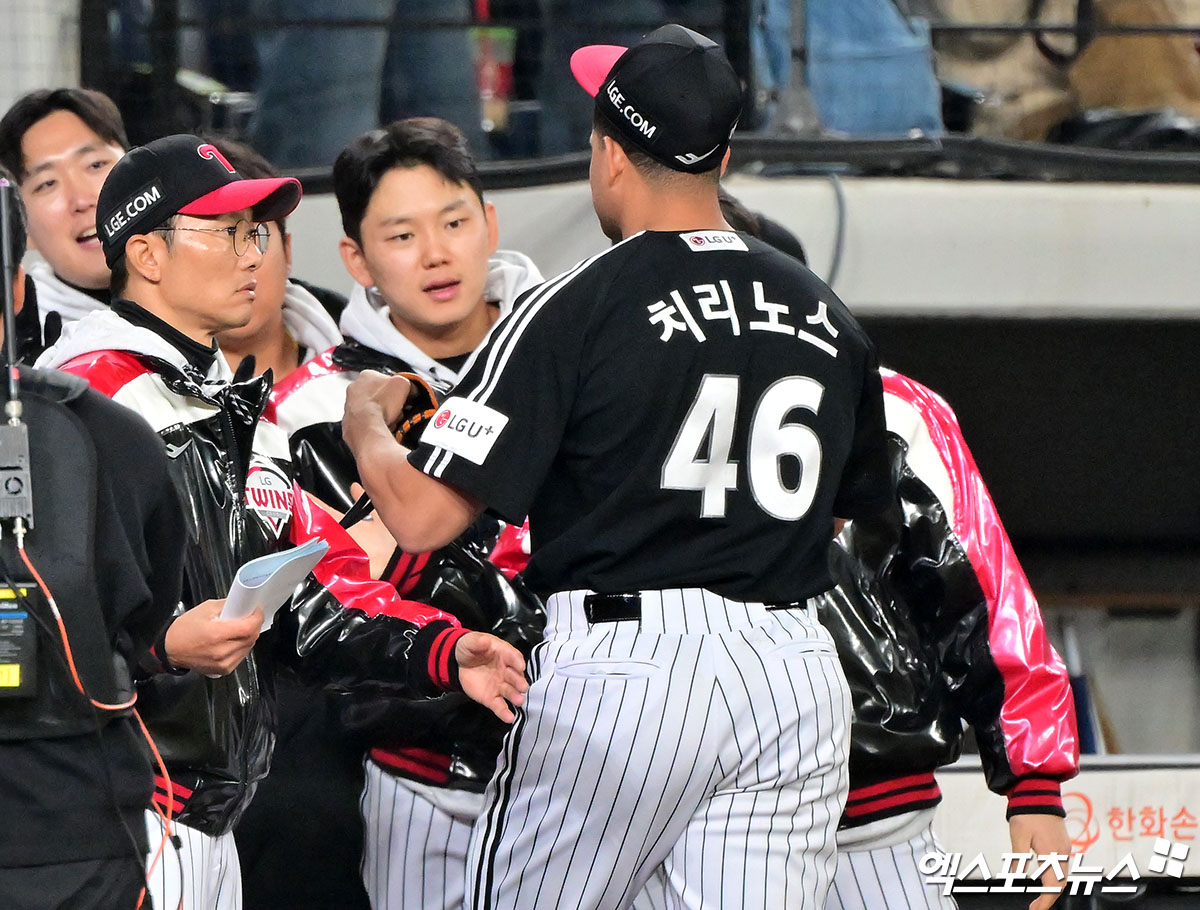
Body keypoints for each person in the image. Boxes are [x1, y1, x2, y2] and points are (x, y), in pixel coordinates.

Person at [342, 24, 894, 910]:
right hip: (794, 667)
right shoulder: (822, 307)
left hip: (629, 666)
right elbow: (838, 515)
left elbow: (421, 519)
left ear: (608, 154)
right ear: (720, 151)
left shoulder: (576, 302)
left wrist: (366, 421)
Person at [35, 134, 528, 910]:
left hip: (203, 815)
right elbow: (29, 623)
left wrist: (440, 649)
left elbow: (314, 580)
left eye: (257, 232)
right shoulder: (84, 397)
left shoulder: (217, 396)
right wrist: (163, 650)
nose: (252, 255)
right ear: (149, 255)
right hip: (117, 809)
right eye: (226, 232)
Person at [709, 194, 1078, 910]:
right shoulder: (622, 408)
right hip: (693, 808)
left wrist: (1033, 780)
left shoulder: (891, 408)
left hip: (877, 803)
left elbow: (978, 586)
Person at [271, 116, 545, 910]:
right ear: (354, 257)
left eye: (455, 222)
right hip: (412, 770)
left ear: (490, 222)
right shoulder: (312, 408)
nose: (437, 253)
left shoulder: (574, 354)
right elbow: (320, 600)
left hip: (595, 755)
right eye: (401, 234)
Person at [0, 167, 186, 909]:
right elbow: (147, 618)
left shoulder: (101, 432)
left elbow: (149, 614)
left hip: (71, 837)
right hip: (71, 833)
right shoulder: (104, 432)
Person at [0, 89, 128, 341]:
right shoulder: (19, 340)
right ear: (21, 229)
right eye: (47, 183)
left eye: (95, 165)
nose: (82, 200)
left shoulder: (215, 292)